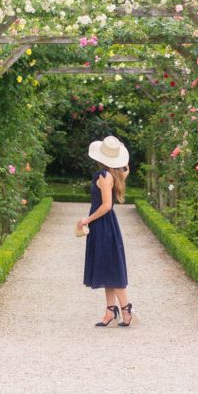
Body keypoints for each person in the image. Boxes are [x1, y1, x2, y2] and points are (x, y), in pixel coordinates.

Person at [77, 135, 135, 327]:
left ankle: (126, 309)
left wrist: (87, 219)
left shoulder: (103, 176)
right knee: (108, 268)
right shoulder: (114, 175)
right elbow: (125, 171)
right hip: (108, 225)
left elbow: (107, 205)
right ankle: (111, 310)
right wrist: (123, 167)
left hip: (102, 224)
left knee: (111, 268)